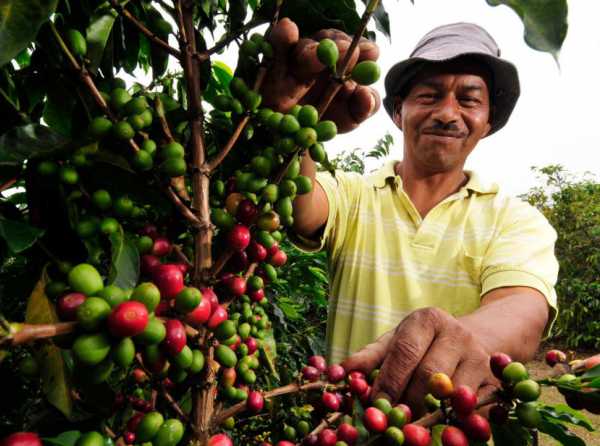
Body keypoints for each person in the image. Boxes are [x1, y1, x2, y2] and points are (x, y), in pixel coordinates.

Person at [264, 20, 559, 415]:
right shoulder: (354, 195)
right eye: (429, 95)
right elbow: (301, 207)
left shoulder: (517, 221)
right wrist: (296, 117)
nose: (447, 113)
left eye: (469, 100)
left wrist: (453, 337)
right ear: (398, 113)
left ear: (488, 123)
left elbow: (523, 311)